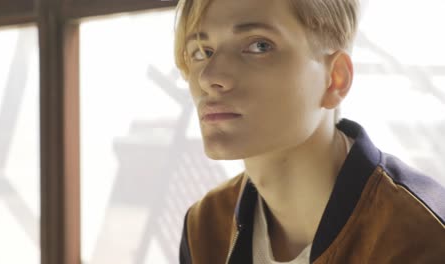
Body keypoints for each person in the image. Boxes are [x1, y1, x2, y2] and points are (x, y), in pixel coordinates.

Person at [172, 0, 445, 263]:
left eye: (259, 46)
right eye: (202, 51)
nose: (209, 77)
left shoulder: (419, 236)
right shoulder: (205, 227)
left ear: (335, 79)